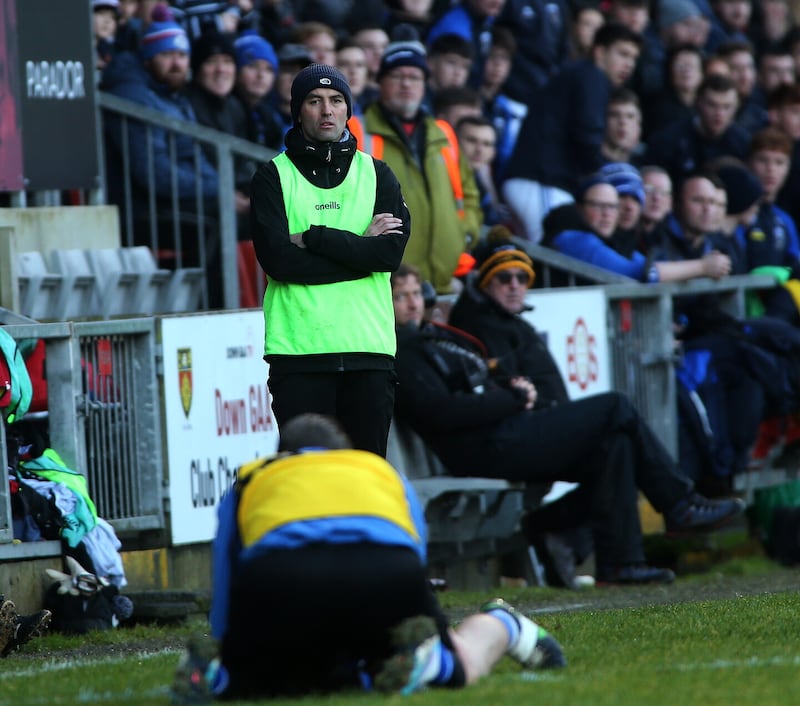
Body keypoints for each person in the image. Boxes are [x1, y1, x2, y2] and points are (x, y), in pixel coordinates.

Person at [391, 260, 746, 585]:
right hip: (489, 444)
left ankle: (621, 562)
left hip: (502, 432)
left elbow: (474, 385)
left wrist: (510, 389)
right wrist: (511, 398)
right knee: (614, 408)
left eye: (414, 294)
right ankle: (680, 503)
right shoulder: (404, 352)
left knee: (615, 445)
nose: (412, 303)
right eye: (399, 296)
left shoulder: (433, 339)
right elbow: (441, 411)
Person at [171, 413, 566, 703]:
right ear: (344, 453)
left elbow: (227, 568)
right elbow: (414, 551)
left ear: (284, 455)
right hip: (387, 572)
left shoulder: (254, 475)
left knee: (266, 682)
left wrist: (227, 642)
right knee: (457, 666)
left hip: (281, 577)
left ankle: (221, 675)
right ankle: (471, 643)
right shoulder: (380, 470)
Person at [249, 64, 410, 457]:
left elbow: (388, 255)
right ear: (298, 111)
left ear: (347, 110)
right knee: (308, 484)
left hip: (368, 352)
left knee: (365, 480)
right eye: (314, 101)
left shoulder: (378, 174)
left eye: (336, 101)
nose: (326, 110)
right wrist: (360, 251)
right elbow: (279, 263)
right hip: (299, 354)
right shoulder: (273, 177)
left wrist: (315, 238)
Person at [358, 40, 482, 294]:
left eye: (414, 77)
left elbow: (469, 194)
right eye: (397, 76)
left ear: (425, 85)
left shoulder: (444, 133)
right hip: (388, 287)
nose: (406, 84)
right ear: (380, 82)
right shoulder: (358, 132)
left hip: (444, 282)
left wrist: (464, 234)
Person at [501, 22, 643, 243]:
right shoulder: (592, 77)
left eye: (633, 58)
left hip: (534, 183)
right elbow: (587, 135)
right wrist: (601, 173)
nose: (628, 64)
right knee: (556, 252)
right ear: (600, 51)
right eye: (623, 54)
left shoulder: (579, 75)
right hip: (541, 181)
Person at [645, 73, 751, 185]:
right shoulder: (668, 140)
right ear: (698, 102)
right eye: (712, 105)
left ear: (736, 108)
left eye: (726, 107)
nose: (719, 113)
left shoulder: (743, 143)